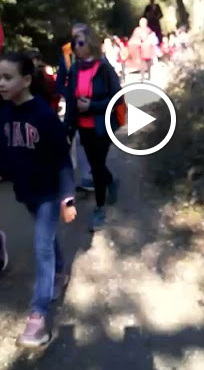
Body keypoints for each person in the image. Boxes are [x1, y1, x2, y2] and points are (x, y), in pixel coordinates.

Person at [0, 52, 76, 348]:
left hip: (49, 192)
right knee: (48, 236)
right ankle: (60, 272)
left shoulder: (43, 115)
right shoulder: (4, 112)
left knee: (41, 245)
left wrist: (68, 196)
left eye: (7, 78)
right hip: (26, 191)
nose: (1, 84)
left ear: (27, 80)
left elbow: (62, 159)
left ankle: (38, 317)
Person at [64, 24, 121, 231]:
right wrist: (67, 131)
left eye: (80, 43)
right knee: (96, 163)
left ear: (90, 43)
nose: (76, 47)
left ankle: (99, 208)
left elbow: (118, 97)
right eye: (74, 44)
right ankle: (111, 182)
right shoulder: (75, 69)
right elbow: (71, 102)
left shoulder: (104, 67)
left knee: (97, 166)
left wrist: (93, 105)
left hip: (103, 125)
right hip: (83, 127)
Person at [56, 24, 94, 192]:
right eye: (75, 37)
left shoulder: (96, 55)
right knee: (74, 140)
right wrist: (69, 95)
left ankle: (97, 177)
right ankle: (84, 178)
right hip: (74, 107)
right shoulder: (66, 53)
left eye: (81, 37)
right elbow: (60, 82)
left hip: (92, 106)